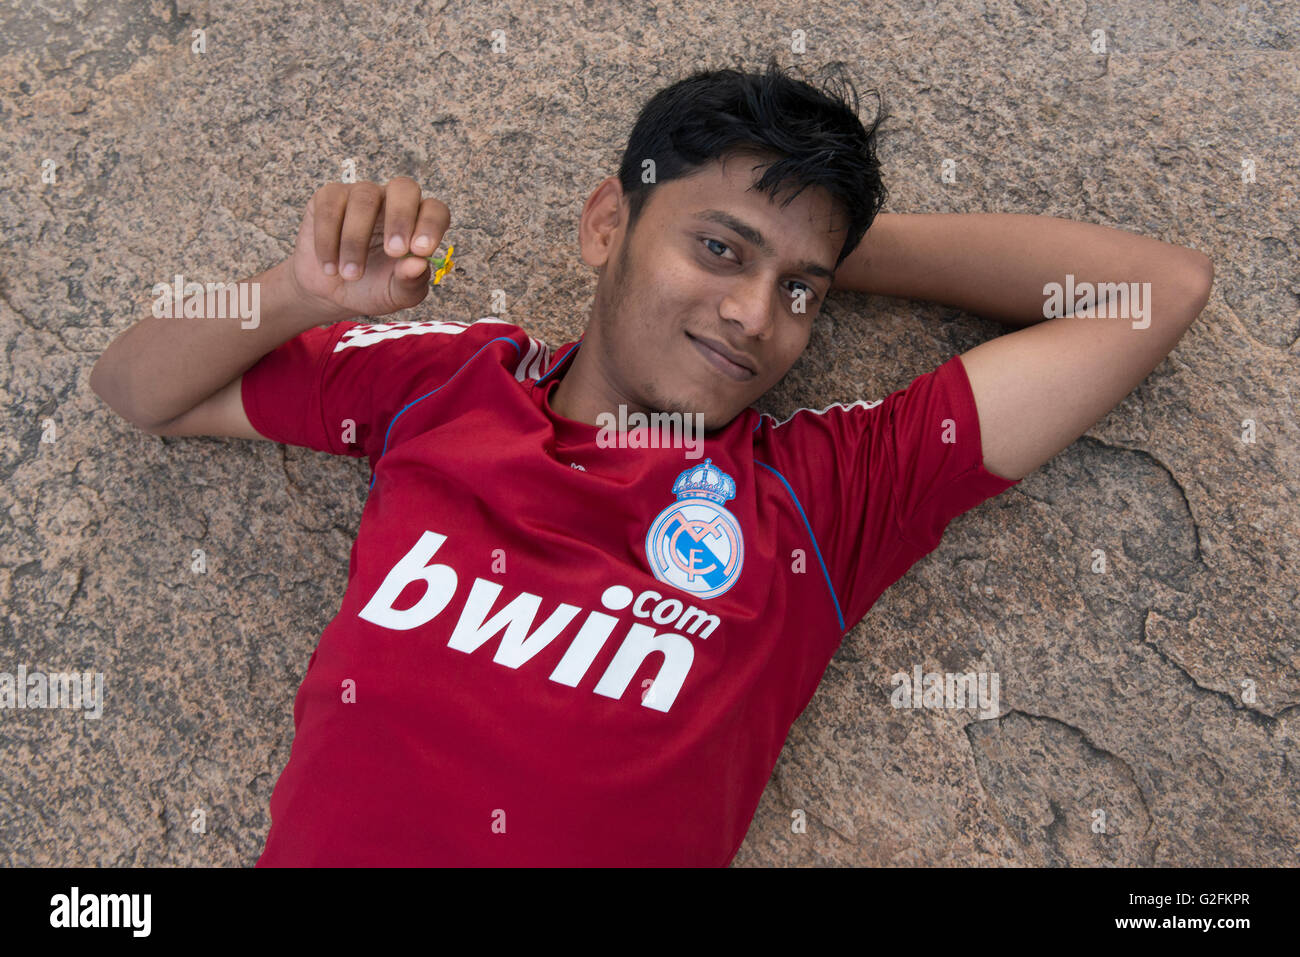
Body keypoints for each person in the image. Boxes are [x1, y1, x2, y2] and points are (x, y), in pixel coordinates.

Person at [90, 60, 1213, 866]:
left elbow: (1154, 294)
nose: (750, 315)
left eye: (798, 293)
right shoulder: (444, 383)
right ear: (603, 226)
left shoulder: (821, 497)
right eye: (716, 247)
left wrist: (819, 234)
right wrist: (298, 293)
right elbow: (137, 390)